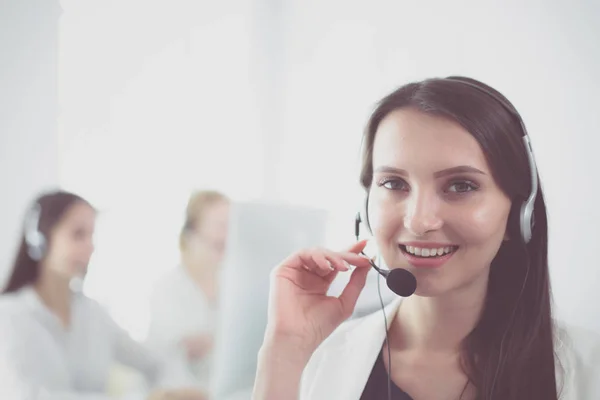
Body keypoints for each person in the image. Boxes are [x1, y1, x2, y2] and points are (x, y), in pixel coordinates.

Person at [251, 77, 600, 399]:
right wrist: (284, 351)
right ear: (366, 206)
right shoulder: (316, 360)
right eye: (394, 183)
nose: (419, 221)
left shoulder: (590, 369)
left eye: (461, 185)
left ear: (519, 214)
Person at [0, 190, 206, 400]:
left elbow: (156, 362)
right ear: (40, 239)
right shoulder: (9, 316)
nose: (89, 247)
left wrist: (174, 391)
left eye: (91, 236)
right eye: (78, 234)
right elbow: (28, 396)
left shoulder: (92, 313)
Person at [146, 190, 230, 391]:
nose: (227, 234)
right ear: (193, 233)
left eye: (232, 225)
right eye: (220, 225)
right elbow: (172, 351)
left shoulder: (231, 288)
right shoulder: (167, 288)